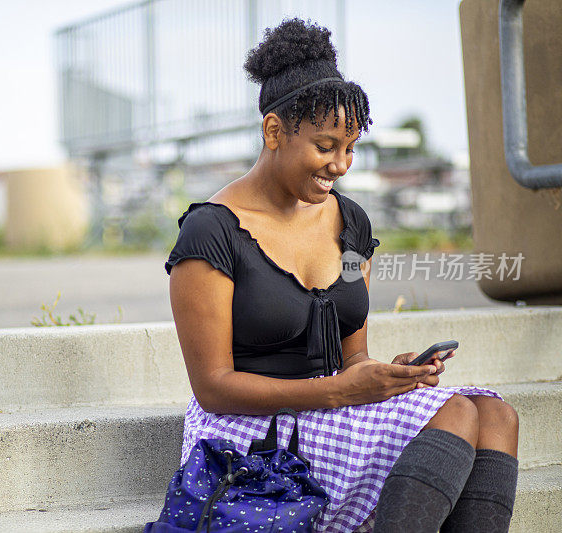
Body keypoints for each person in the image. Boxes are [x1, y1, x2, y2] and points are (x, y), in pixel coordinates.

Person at [164, 18, 519, 533]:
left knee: (497, 415)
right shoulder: (211, 232)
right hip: (248, 429)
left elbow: (352, 352)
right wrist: (341, 392)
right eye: (326, 146)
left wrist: (385, 375)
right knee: (458, 414)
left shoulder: (352, 225)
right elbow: (214, 388)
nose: (341, 164)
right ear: (274, 132)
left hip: (334, 408)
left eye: (350, 148)